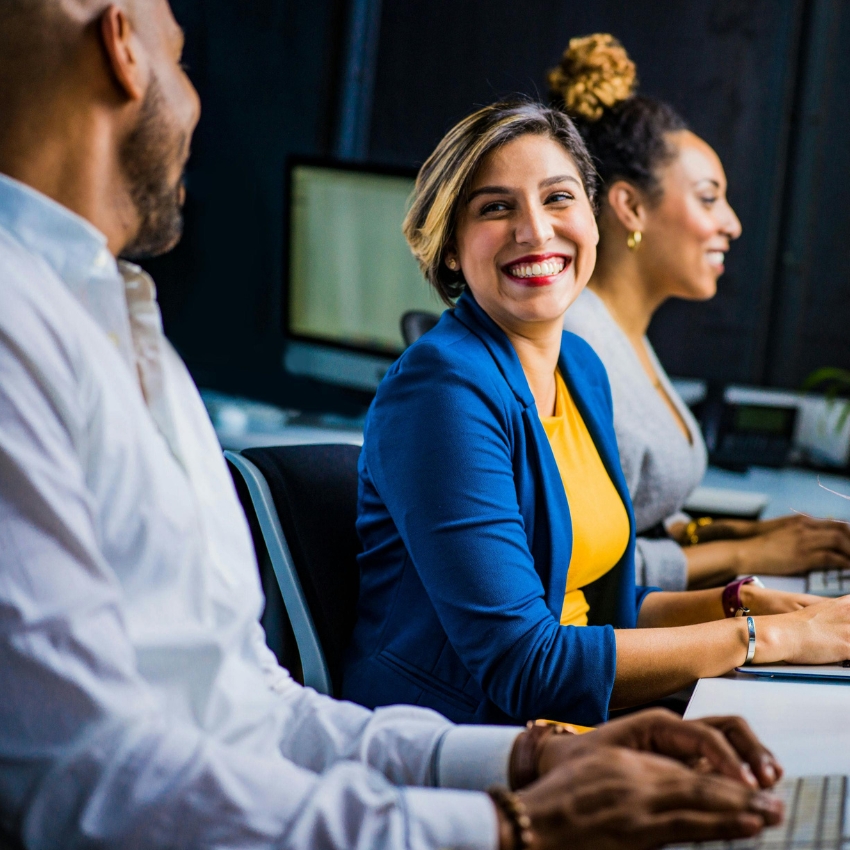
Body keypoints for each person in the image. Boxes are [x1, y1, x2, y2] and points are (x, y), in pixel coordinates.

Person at [0, 2, 789, 848]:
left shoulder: (120, 323)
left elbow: (251, 708)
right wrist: (506, 823)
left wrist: (518, 769)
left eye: (560, 198)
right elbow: (80, 780)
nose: (196, 103)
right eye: (183, 58)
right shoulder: (23, 330)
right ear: (123, 45)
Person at [343, 96, 850, 730]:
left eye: (558, 198)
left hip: (581, 718)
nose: (535, 229)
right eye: (496, 208)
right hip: (464, 741)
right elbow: (525, 663)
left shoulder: (579, 368)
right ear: (449, 248)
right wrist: (768, 639)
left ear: (593, 213)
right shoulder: (440, 390)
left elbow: (599, 610)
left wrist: (744, 605)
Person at [551, 33, 850, 590]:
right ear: (631, 207)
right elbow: (581, 572)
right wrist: (744, 556)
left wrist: (738, 536)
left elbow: (640, 520)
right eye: (709, 198)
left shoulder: (625, 334)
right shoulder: (576, 344)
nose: (732, 224)